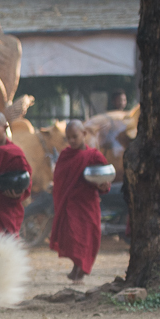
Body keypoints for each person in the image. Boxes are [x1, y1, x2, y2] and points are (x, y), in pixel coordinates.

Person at [50, 120, 111, 283]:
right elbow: (59, 178)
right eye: (68, 138)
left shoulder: (94, 155)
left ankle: (81, 270)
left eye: (74, 137)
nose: (71, 141)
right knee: (73, 237)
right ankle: (77, 267)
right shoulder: (65, 155)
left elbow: (105, 178)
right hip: (70, 203)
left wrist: (103, 185)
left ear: (84, 134)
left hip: (87, 203)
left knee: (87, 237)